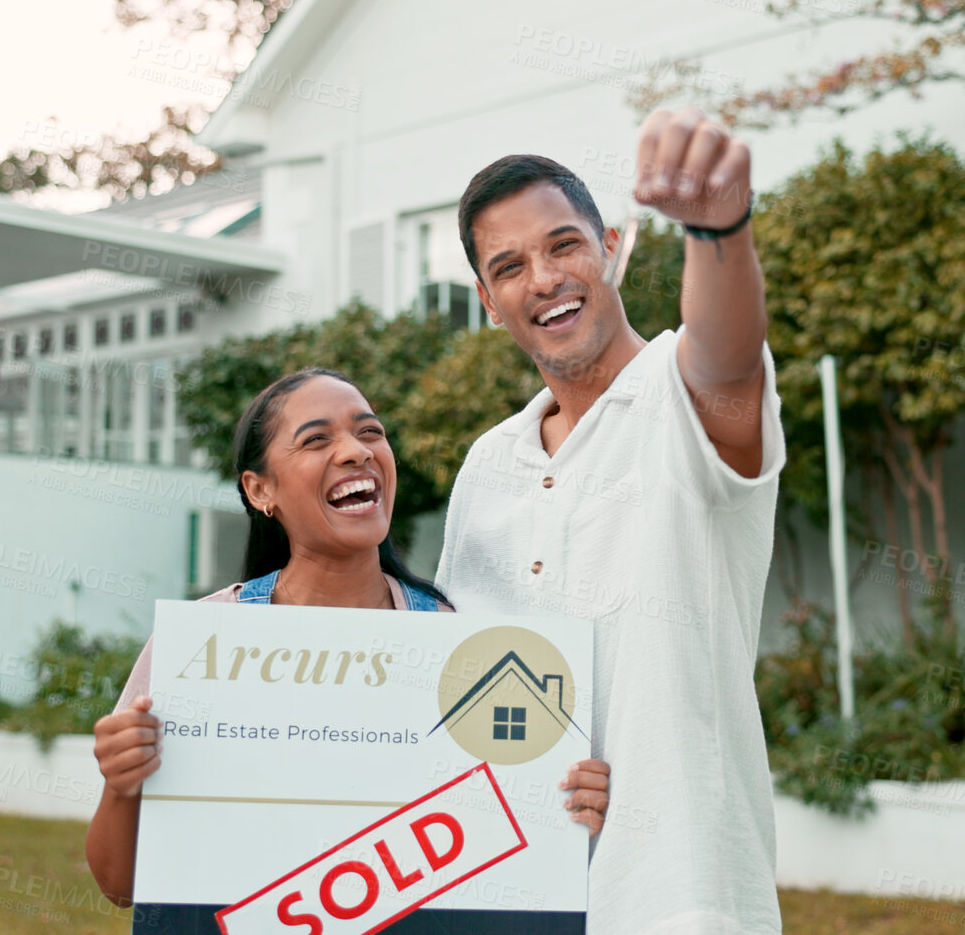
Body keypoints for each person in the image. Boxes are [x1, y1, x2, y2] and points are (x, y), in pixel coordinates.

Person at [437, 107, 784, 934]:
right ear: (488, 301)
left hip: (685, 897)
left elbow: (727, 352)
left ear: (610, 248)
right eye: (510, 266)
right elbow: (459, 686)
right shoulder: (488, 464)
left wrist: (718, 230)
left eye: (563, 245)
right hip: (517, 893)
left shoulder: (682, 389)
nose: (545, 277)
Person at [84, 366, 612, 908]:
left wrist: (567, 806)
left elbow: (506, 857)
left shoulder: (461, 645)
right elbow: (119, 884)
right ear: (260, 490)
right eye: (316, 439)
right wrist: (122, 785)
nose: (357, 452)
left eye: (370, 432)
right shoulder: (199, 648)